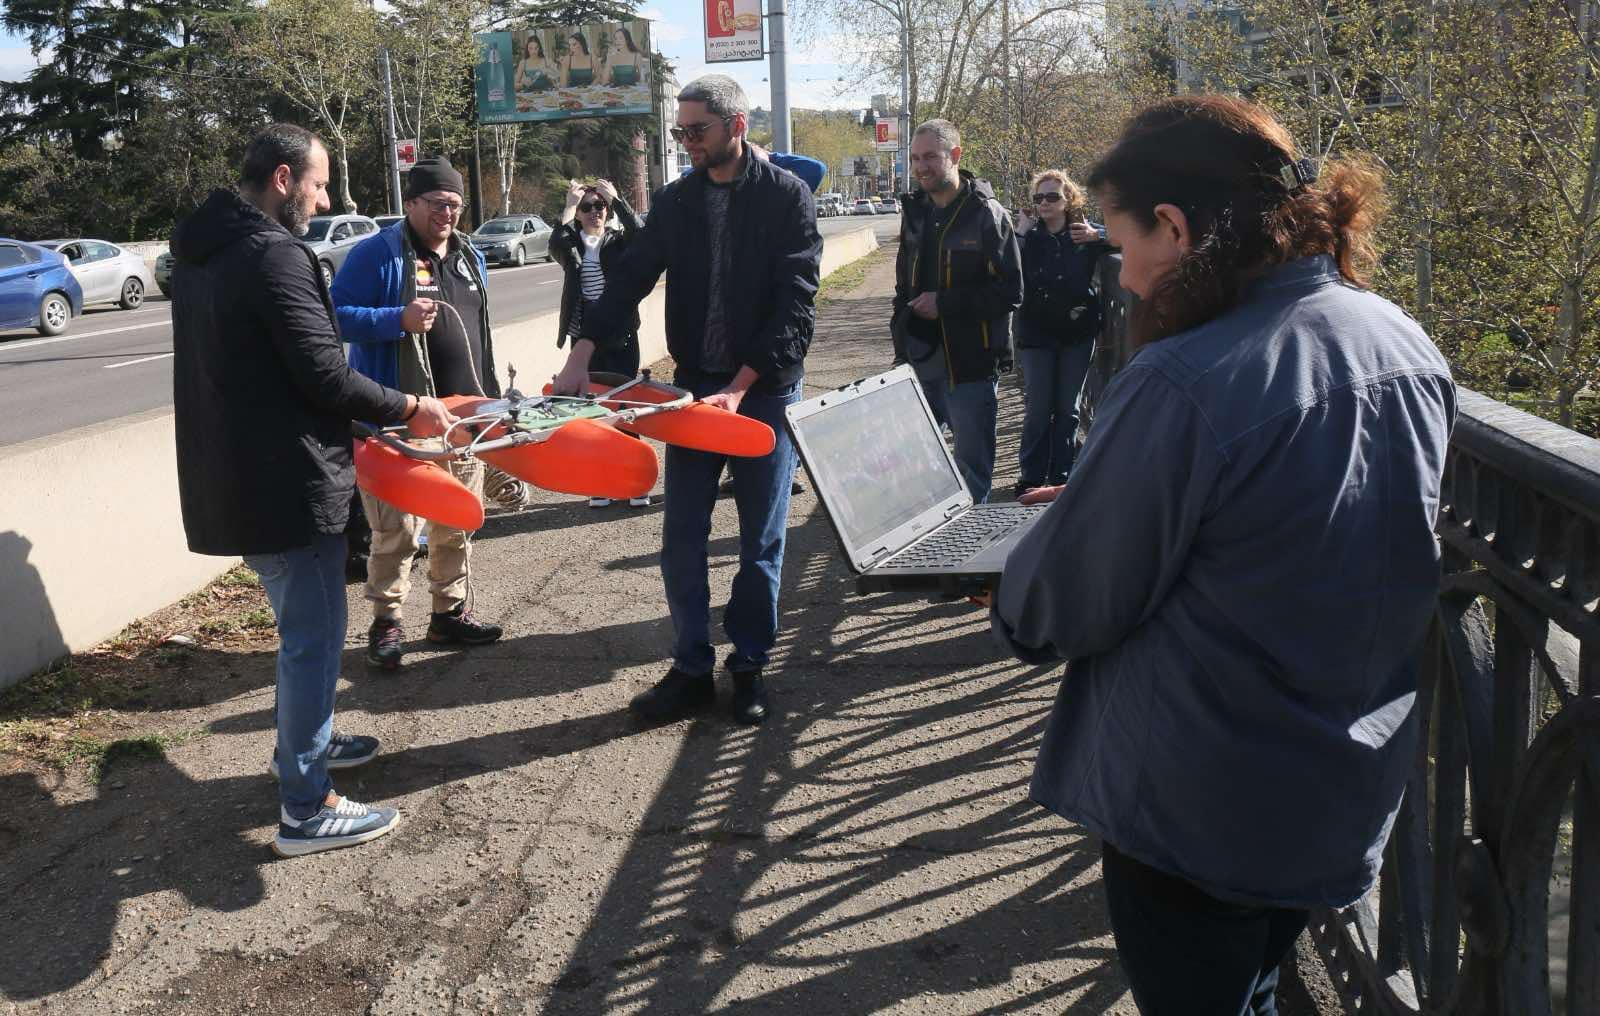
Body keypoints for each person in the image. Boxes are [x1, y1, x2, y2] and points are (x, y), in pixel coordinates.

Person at [990, 96, 1456, 1015]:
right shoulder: (1401, 339)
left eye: (1122, 241)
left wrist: (1011, 578)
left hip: (1200, 801)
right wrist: (1103, 502)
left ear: (1174, 228)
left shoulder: (1183, 377)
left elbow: (1061, 607)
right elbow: (1286, 526)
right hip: (1340, 780)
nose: (1123, 276)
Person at [171, 124, 456, 857]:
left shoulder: (204, 252)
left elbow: (268, 371)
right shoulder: (273, 254)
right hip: (287, 484)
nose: (325, 200)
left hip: (239, 473)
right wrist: (408, 407)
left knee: (304, 633)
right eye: (320, 184)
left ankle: (307, 745)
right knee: (314, 639)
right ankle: (305, 805)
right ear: (282, 179)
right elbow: (325, 372)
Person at [552, 74, 821, 726]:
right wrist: (581, 353)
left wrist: (739, 388)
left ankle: (749, 665)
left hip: (763, 392)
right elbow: (629, 280)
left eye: (696, 130)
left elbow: (795, 309)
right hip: (695, 391)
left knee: (760, 540)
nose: (687, 142)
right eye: (681, 131)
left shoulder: (787, 197)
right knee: (681, 538)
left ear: (736, 126)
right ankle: (692, 669)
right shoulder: (677, 201)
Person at [332, 157, 505, 671]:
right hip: (399, 420)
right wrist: (396, 318)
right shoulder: (376, 255)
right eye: (437, 204)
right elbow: (332, 317)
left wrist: (491, 407)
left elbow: (481, 339)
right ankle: (386, 622)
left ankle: (449, 613)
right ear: (410, 203)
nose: (447, 214)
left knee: (458, 520)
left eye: (455, 204)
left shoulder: (470, 256)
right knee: (397, 532)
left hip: (462, 420)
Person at [891, 119, 1022, 504]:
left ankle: (971, 542)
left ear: (956, 155)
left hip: (970, 365)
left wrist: (944, 304)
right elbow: (902, 287)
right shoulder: (914, 211)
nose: (921, 167)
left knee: (971, 469)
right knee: (918, 465)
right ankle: (931, 540)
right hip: (919, 360)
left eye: (931, 157)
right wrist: (900, 343)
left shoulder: (986, 213)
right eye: (916, 158)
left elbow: (1011, 292)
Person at [550, 176, 650, 508]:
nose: (595, 211)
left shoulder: (618, 241)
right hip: (583, 336)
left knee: (625, 404)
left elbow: (643, 236)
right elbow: (556, 242)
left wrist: (617, 199)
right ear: (579, 214)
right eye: (588, 207)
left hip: (620, 333)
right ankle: (602, 481)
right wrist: (569, 205)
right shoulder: (571, 244)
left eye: (600, 206)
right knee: (593, 408)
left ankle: (635, 481)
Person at [1011, 169, 1109, 497]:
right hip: (1036, 334)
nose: (1044, 203)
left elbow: (1126, 239)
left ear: (1069, 200)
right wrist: (1020, 233)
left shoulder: (1083, 234)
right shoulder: (1028, 236)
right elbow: (1007, 269)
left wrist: (1099, 235)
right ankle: (1031, 477)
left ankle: (1061, 476)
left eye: (1052, 196)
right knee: (1039, 408)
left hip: (1076, 333)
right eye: (1039, 198)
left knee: (1068, 408)